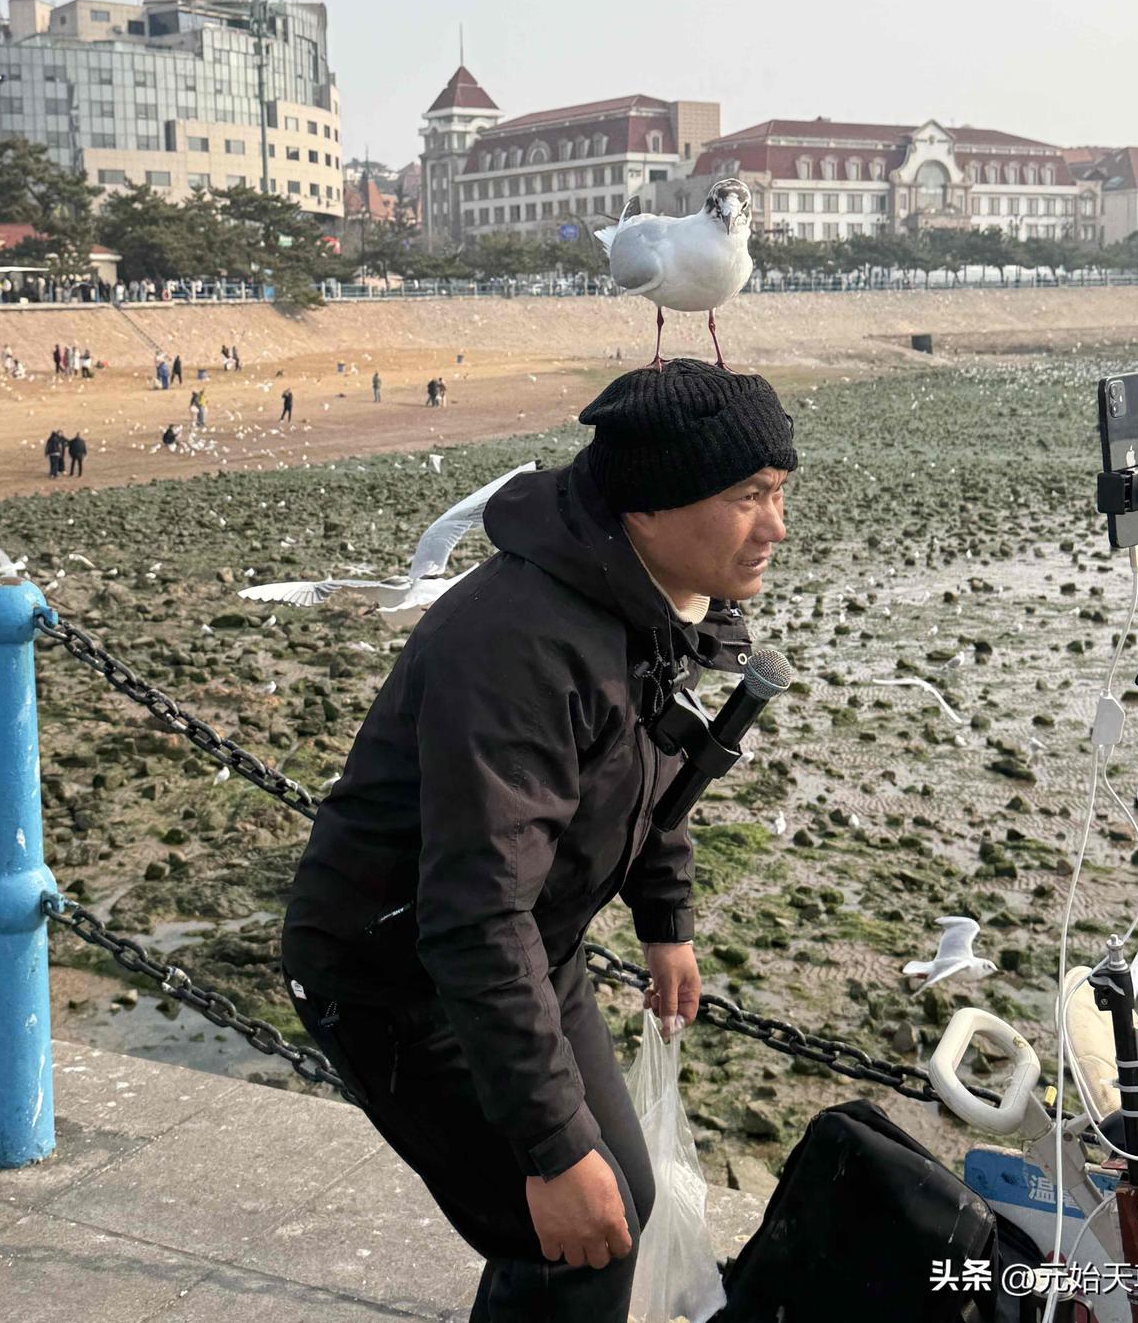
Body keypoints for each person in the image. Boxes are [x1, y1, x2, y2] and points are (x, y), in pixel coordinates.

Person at [282, 359, 797, 1322]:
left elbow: (649, 765)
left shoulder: (650, 601)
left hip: (525, 945)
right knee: (581, 1235)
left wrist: (666, 918)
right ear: (646, 505)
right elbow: (473, 914)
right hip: (397, 976)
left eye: (777, 491)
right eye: (746, 497)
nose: (776, 526)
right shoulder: (519, 645)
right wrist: (551, 1151)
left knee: (616, 1212)